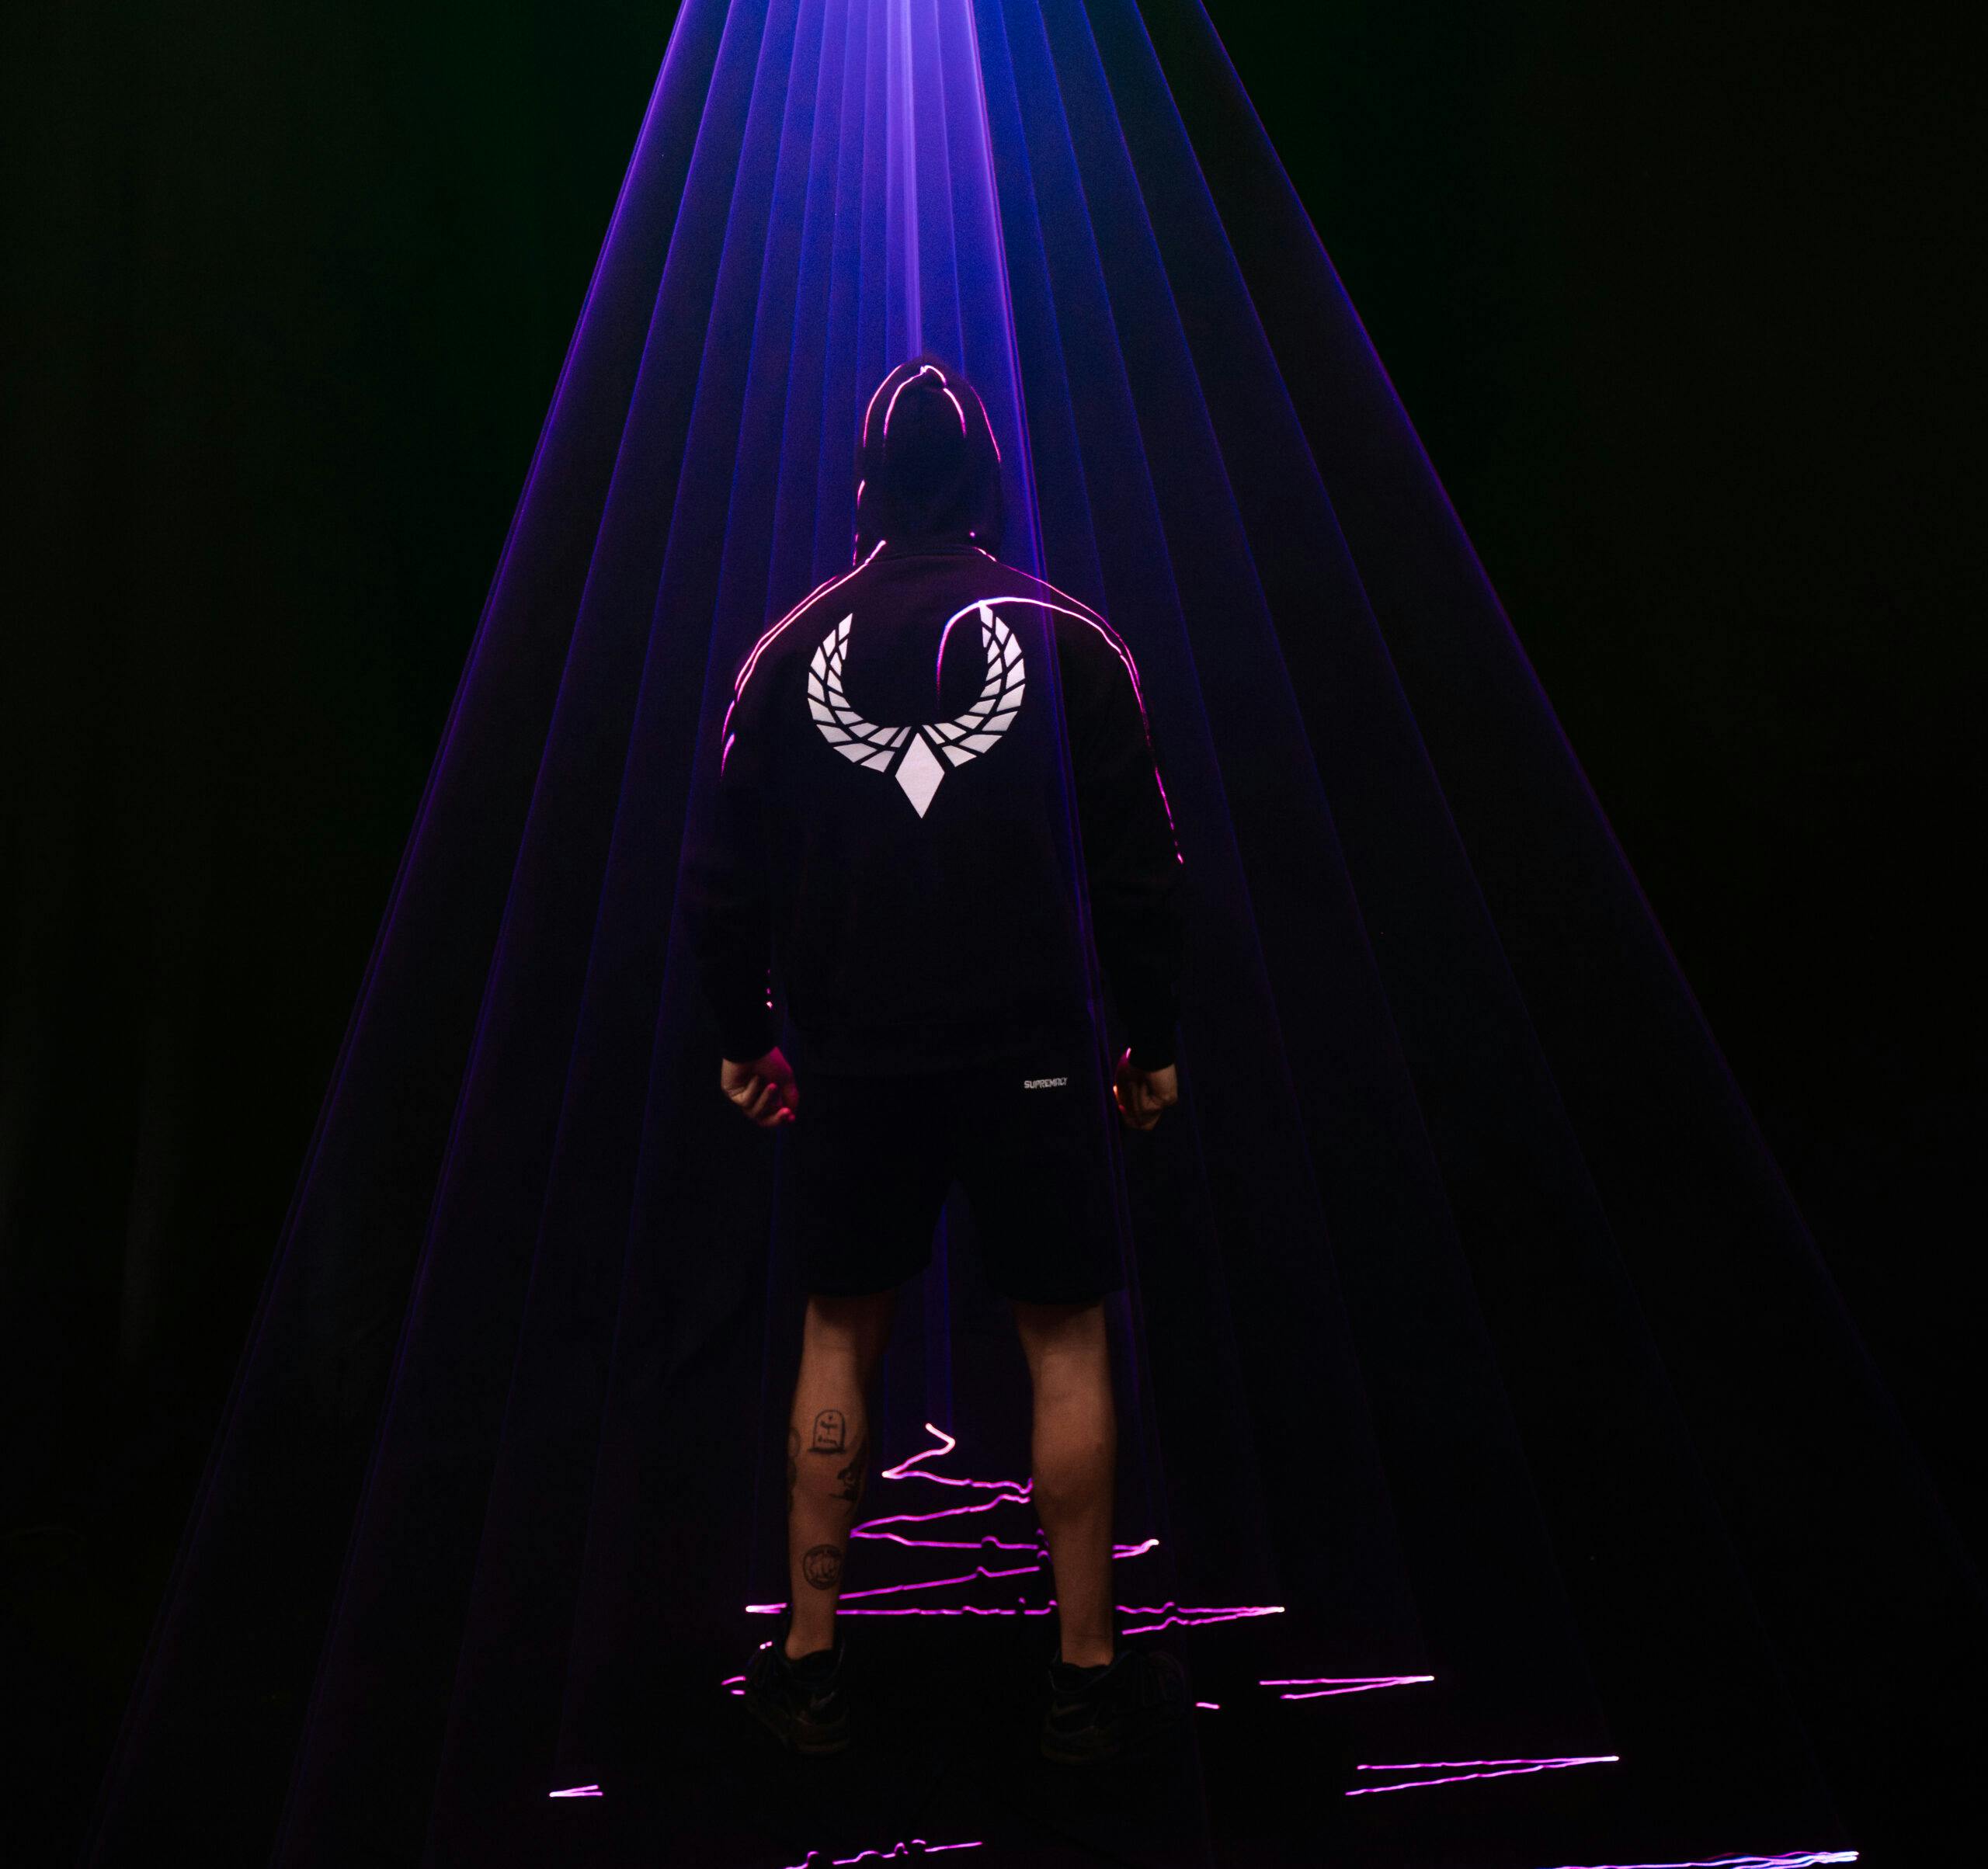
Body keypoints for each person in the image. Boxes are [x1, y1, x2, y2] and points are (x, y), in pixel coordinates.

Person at [682, 355, 1190, 1766]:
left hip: (855, 1063)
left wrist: (745, 1040)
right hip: (1032, 1056)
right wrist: (1150, 1039)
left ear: (862, 492)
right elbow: (1145, 873)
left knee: (837, 1334)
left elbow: (721, 884)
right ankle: (1085, 1679)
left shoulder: (788, 653)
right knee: (1066, 1345)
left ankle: (809, 1665)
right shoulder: (1072, 641)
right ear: (990, 485)